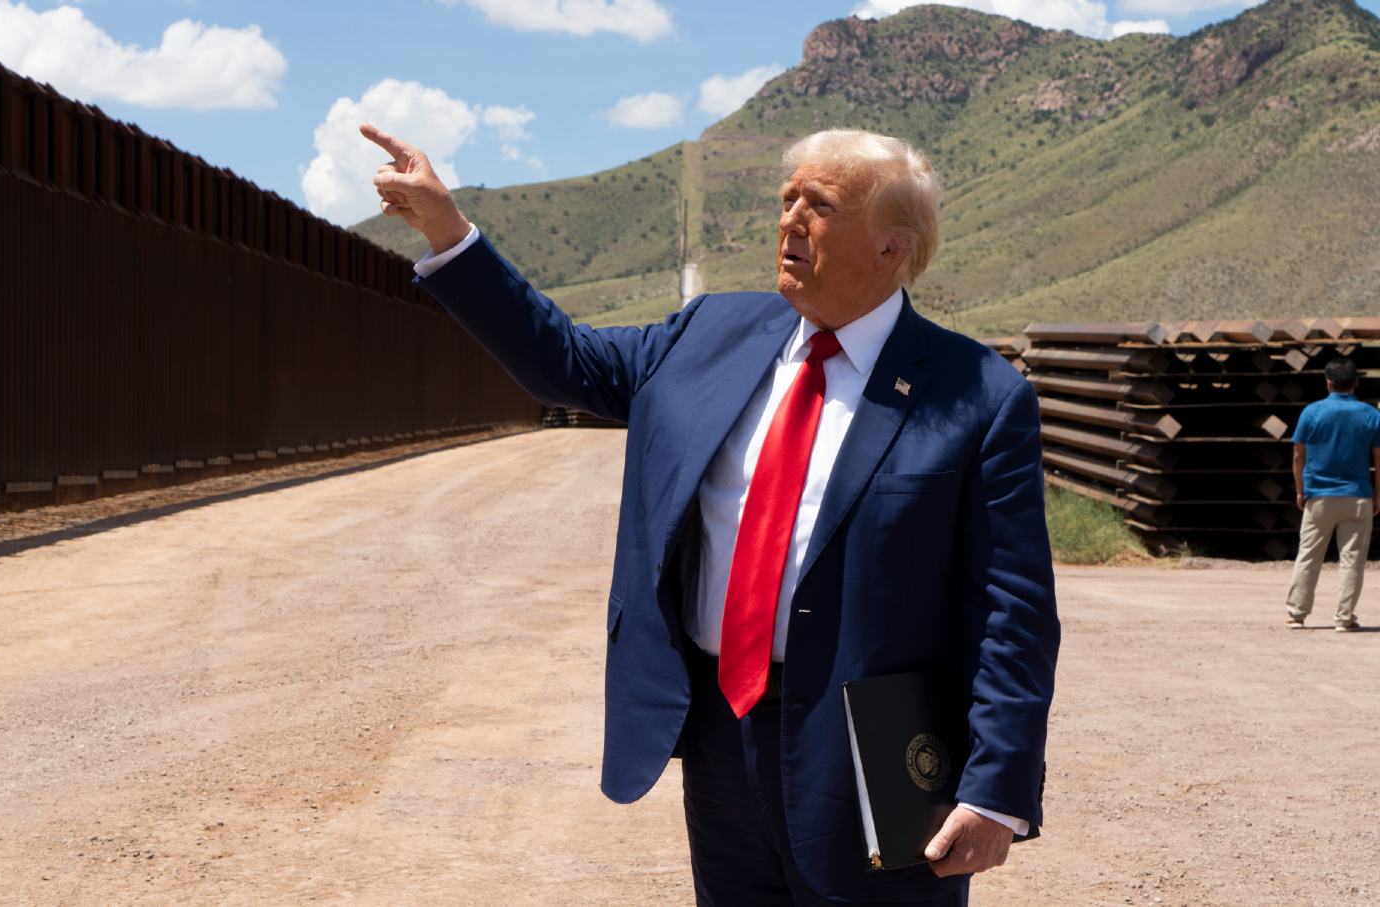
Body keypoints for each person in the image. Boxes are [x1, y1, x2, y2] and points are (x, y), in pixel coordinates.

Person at [361, 122, 1060, 906]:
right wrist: (449, 232)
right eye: (787, 198)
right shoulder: (710, 333)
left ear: (889, 249)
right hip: (722, 734)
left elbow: (1014, 611)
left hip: (877, 756)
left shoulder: (978, 396)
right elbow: (563, 361)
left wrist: (994, 789)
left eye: (819, 205)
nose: (790, 220)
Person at [1285, 356, 1380, 632]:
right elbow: (1378, 460)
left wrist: (1300, 489)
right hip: (1358, 497)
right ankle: (1344, 618)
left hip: (1320, 497)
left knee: (1309, 556)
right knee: (1352, 561)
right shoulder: (1372, 415)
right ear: (1356, 383)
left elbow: (1297, 454)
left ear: (1328, 383)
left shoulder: (1311, 413)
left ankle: (1297, 613)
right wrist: (1377, 495)